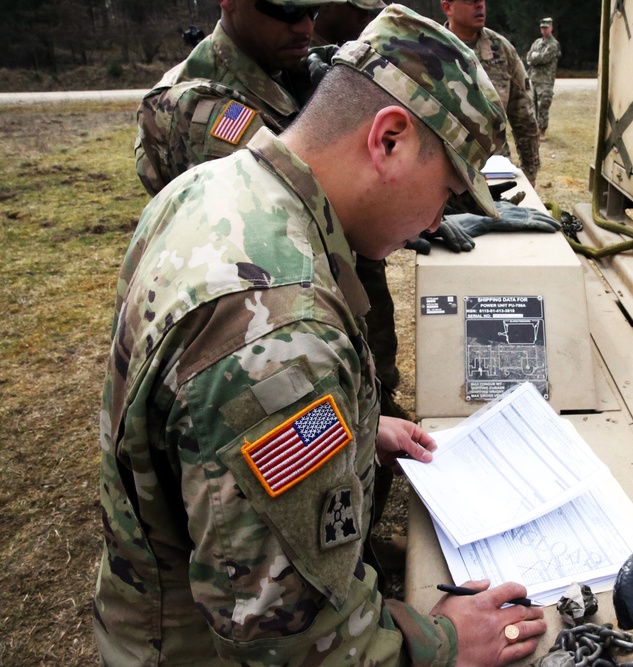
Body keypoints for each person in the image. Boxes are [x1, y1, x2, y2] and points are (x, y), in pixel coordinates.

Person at [93, 5, 547, 665]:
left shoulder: (216, 188)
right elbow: (290, 643)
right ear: (388, 139)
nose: (430, 224)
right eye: (445, 192)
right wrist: (442, 642)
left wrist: (357, 426)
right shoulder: (285, 330)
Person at [133, 0, 408, 577]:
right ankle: (331, 568)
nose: (304, 26)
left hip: (338, 302)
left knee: (352, 438)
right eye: (284, 10)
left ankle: (346, 555)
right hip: (273, 323)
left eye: (313, 9)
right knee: (289, 510)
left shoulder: (299, 69)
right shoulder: (198, 107)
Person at [441, 0, 540, 185]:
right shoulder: (431, 47)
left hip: (494, 173)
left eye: (481, 1)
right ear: (448, 7)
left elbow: (524, 118)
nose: (479, 5)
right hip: (442, 173)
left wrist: (529, 174)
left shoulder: (502, 50)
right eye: (471, 1)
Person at [526, 17, 560, 141]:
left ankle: (542, 131)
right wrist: (534, 57)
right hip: (534, 78)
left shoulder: (553, 44)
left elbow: (543, 59)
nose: (544, 30)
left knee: (543, 106)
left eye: (546, 27)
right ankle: (534, 130)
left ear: (551, 28)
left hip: (546, 80)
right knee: (532, 106)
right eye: (542, 28)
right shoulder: (537, 42)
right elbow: (529, 57)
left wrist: (535, 57)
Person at [312, 0, 385, 46]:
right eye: (358, 9)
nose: (365, 18)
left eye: (368, 12)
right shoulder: (305, 55)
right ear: (327, 4)